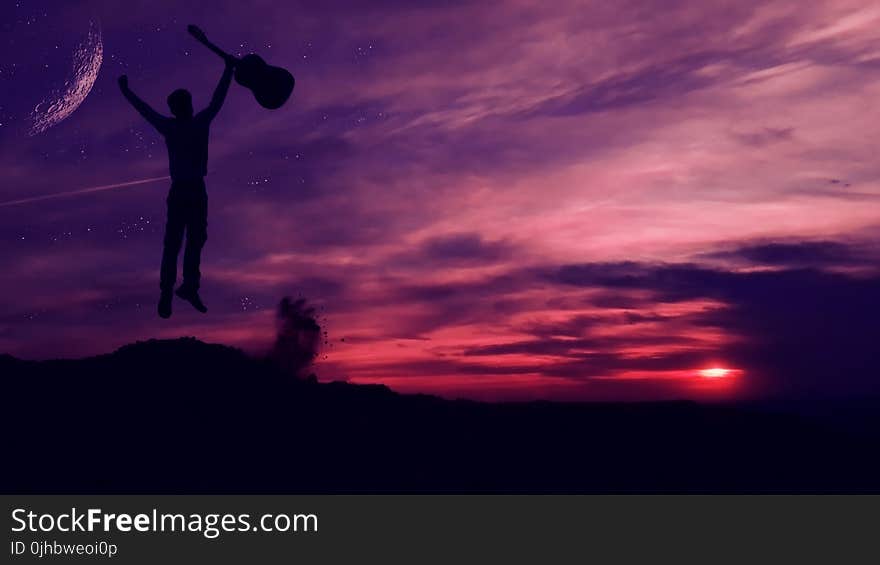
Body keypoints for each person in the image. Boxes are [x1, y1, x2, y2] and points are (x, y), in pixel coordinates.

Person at [118, 36, 235, 318]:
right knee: (182, 241)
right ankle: (172, 291)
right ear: (183, 107)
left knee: (190, 239)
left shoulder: (180, 125)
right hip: (189, 190)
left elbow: (216, 99)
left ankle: (183, 289)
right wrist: (228, 70)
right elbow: (217, 99)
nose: (190, 106)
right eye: (187, 103)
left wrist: (126, 92)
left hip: (190, 189)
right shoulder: (190, 124)